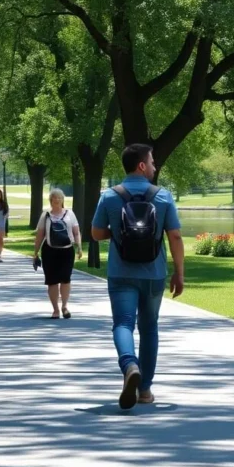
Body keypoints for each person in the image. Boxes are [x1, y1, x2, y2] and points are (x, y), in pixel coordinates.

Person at [91, 144, 185, 409]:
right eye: (152, 162)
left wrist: (119, 233)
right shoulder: (163, 196)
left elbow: (96, 233)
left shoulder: (109, 196)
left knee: (122, 324)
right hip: (153, 274)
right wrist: (179, 273)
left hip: (121, 273)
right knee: (149, 328)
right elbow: (175, 236)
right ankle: (144, 390)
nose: (155, 166)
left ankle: (130, 365)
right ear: (141, 166)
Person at [33, 188, 82, 319]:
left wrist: (79, 246)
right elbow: (40, 235)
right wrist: (35, 252)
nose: (57, 200)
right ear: (50, 200)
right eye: (54, 198)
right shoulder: (45, 215)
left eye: (59, 198)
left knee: (66, 278)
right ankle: (55, 309)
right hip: (50, 251)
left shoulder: (70, 214)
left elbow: (76, 232)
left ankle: (64, 306)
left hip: (67, 251)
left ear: (62, 200)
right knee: (52, 281)